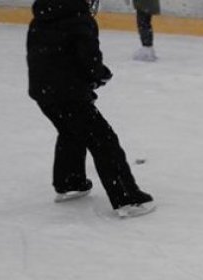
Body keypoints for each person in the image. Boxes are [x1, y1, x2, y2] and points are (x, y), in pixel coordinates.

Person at [27, 0, 155, 218]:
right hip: (70, 95)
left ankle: (71, 182)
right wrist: (100, 75)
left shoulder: (41, 18)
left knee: (71, 132)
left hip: (45, 94)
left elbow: (43, 59)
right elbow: (89, 61)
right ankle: (128, 198)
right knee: (103, 141)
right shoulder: (80, 20)